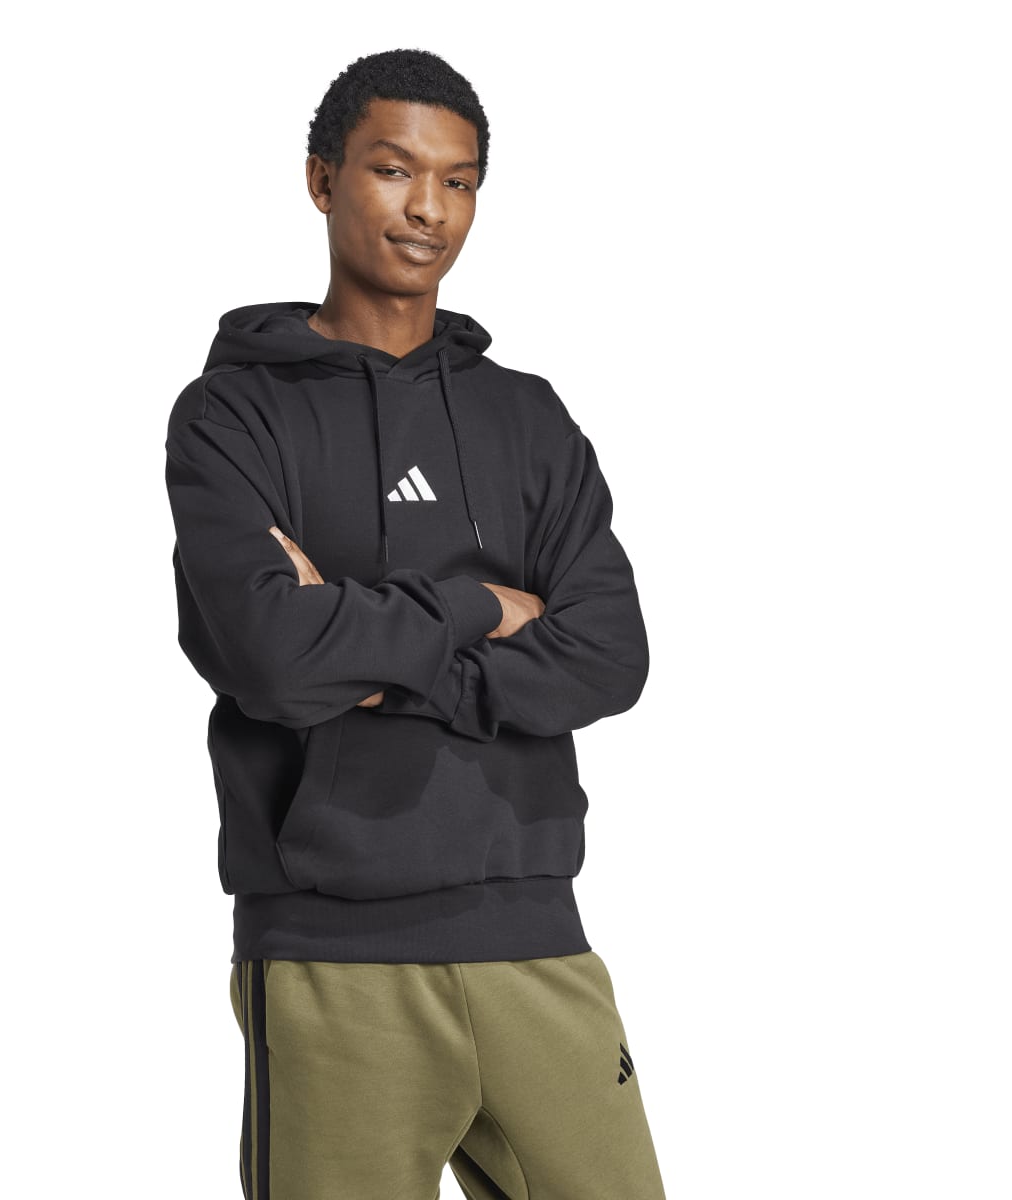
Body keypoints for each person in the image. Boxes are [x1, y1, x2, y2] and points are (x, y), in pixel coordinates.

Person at [165, 47, 667, 1200]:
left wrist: (374, 654)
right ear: (322, 177)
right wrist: (481, 608)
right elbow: (272, 659)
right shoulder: (234, 415)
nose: (429, 208)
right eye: (395, 170)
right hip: (334, 960)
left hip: (539, 940)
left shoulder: (528, 419)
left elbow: (611, 653)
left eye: (460, 180)